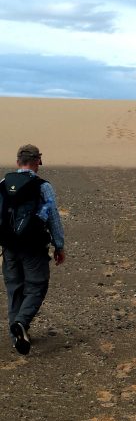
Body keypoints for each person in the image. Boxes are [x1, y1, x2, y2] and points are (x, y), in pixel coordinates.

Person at [0, 144, 65, 355]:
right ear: (37, 161)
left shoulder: (3, 183)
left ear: (18, 161)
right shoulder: (42, 186)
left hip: (9, 246)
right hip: (33, 247)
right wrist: (59, 245)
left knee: (15, 289)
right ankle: (21, 323)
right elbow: (53, 217)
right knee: (37, 285)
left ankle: (16, 336)